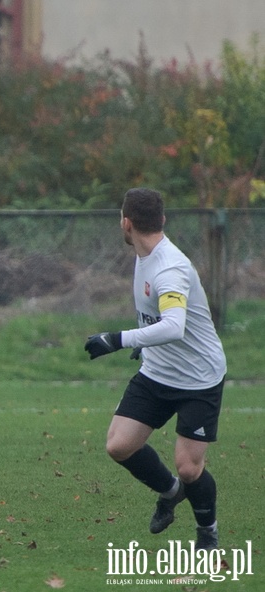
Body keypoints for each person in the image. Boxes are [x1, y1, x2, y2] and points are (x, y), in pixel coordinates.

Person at [84, 187, 226, 550]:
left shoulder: (170, 268)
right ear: (160, 220)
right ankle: (171, 493)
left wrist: (117, 340)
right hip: (157, 372)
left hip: (198, 378)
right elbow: (158, 320)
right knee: (119, 446)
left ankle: (207, 531)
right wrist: (145, 344)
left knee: (189, 466)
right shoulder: (143, 252)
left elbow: (174, 326)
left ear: (126, 223)